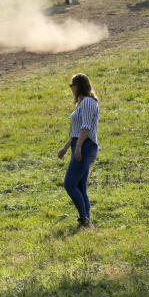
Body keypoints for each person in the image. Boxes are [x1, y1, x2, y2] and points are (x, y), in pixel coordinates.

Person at [57, 73, 99, 229]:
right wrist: (66, 147)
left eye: (72, 85)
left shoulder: (88, 102)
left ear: (78, 85)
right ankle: (87, 222)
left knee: (69, 184)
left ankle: (84, 220)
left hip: (86, 146)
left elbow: (85, 127)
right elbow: (76, 132)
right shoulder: (82, 103)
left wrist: (79, 147)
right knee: (80, 187)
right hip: (80, 144)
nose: (71, 88)